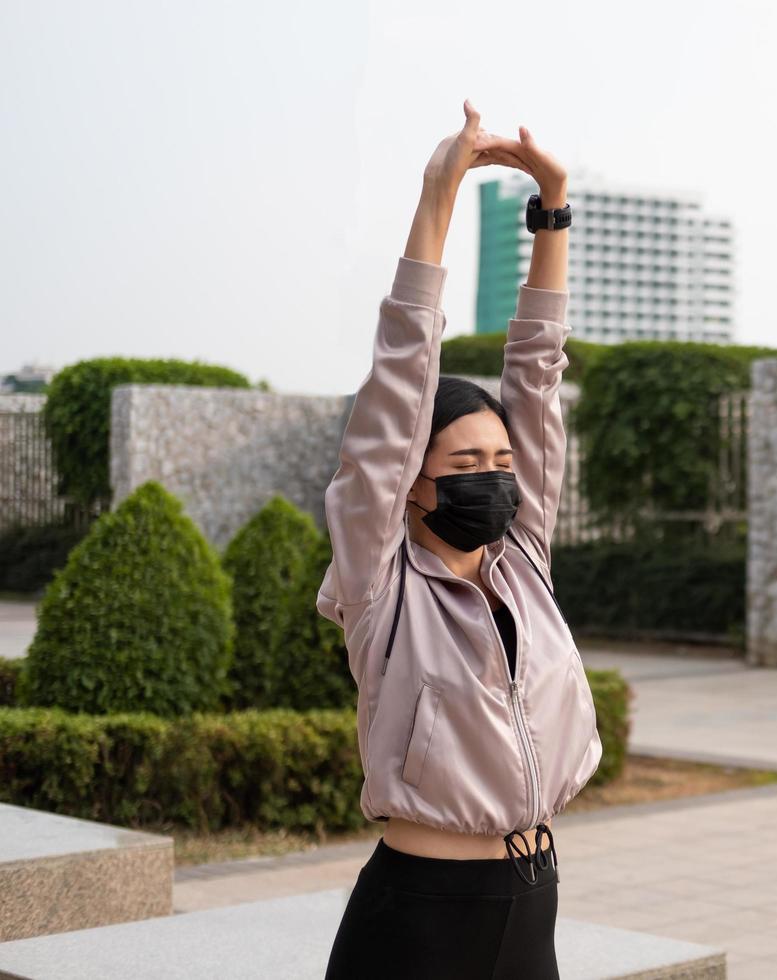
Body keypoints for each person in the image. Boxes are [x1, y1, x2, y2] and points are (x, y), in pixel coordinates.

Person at [318, 99, 601, 979]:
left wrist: (551, 207)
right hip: (420, 920)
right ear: (412, 484)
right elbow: (398, 392)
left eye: (501, 458)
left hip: (534, 899)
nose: (491, 474)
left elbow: (539, 371)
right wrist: (437, 201)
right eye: (465, 459)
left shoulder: (524, 562)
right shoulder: (379, 588)